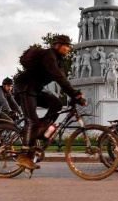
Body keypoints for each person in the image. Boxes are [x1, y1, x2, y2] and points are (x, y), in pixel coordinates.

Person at [13, 34, 86, 170]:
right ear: (57, 45)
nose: (68, 49)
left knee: (57, 104)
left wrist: (74, 96)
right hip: (24, 88)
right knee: (32, 120)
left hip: (36, 89)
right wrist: (74, 94)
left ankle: (40, 130)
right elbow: (58, 77)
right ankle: (23, 155)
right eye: (66, 46)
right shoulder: (49, 56)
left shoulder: (59, 61)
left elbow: (63, 80)